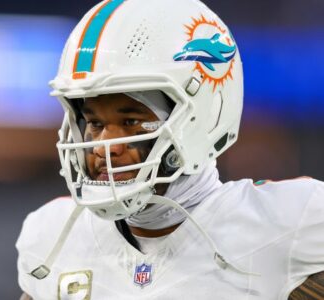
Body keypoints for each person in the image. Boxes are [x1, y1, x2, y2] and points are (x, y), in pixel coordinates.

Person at [16, 0, 324, 299]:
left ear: (201, 118)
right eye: (95, 122)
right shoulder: (52, 237)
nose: (104, 147)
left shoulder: (285, 227)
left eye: (131, 120)